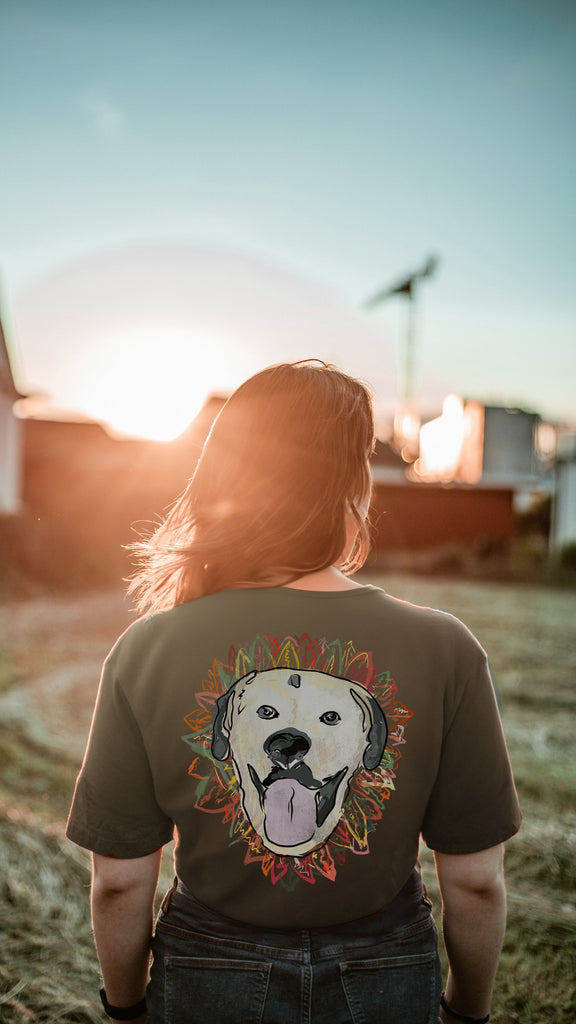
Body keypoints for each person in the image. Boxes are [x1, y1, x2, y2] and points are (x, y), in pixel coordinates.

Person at [66, 359, 521, 1024]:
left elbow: (117, 883)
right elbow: (476, 881)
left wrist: (127, 1009)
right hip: (387, 969)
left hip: (207, 970)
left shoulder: (149, 646)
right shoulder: (445, 646)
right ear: (355, 485)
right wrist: (466, 1012)